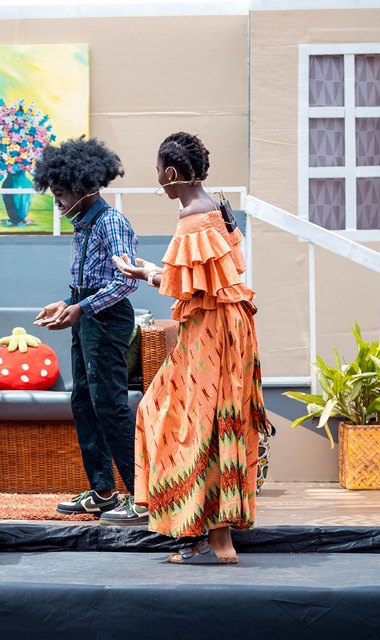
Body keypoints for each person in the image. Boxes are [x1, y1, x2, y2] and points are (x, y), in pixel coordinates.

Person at [110, 132, 272, 563]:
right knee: (208, 418)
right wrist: (152, 270)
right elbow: (213, 276)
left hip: (211, 331)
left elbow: (188, 286)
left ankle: (214, 537)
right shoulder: (215, 207)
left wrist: (142, 273)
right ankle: (209, 532)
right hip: (231, 326)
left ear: (170, 173)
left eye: (157, 173)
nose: (157, 181)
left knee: (188, 418)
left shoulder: (192, 217)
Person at [31, 136, 142, 519]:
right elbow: (92, 281)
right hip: (87, 314)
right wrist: (67, 302)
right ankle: (103, 491)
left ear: (84, 187)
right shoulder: (83, 224)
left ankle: (143, 496)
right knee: (83, 401)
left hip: (108, 319)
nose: (57, 201)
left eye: (61, 193)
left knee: (110, 404)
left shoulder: (112, 222)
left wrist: (82, 307)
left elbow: (126, 281)